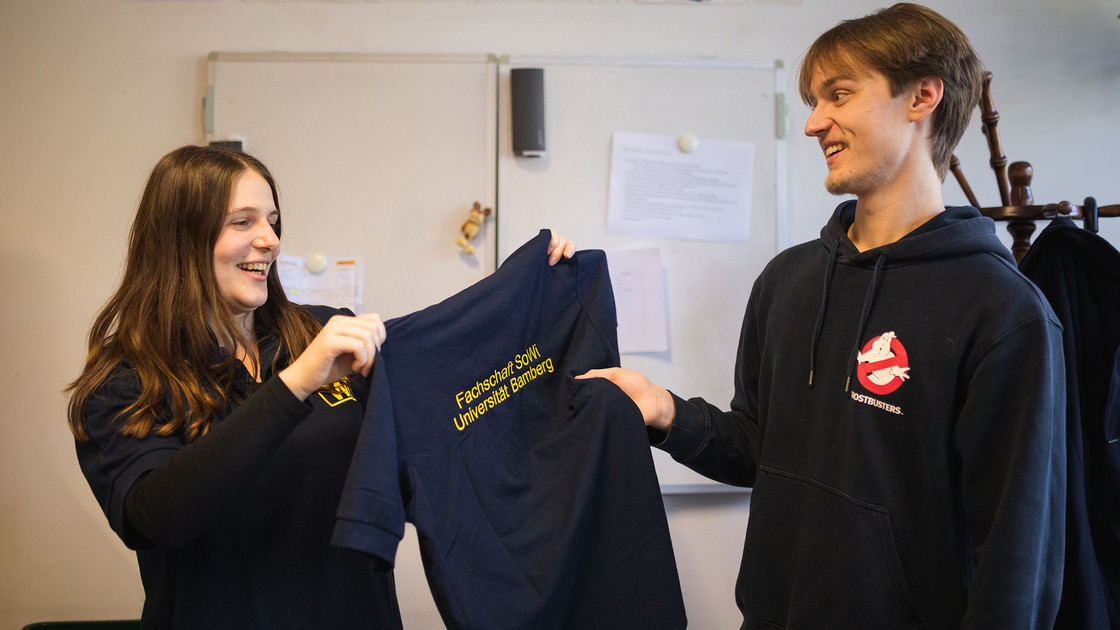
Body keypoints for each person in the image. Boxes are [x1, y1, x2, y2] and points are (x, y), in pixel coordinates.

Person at [581, 4, 1066, 628]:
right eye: (813, 100)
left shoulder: (1004, 311)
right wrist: (663, 410)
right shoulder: (788, 281)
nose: (814, 123)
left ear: (922, 96)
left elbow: (1016, 566)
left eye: (839, 94)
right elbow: (757, 448)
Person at [66, 144, 574, 628]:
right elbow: (157, 517)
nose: (269, 239)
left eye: (272, 220)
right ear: (180, 239)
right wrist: (296, 384)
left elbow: (440, 428)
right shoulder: (126, 382)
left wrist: (533, 302)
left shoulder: (322, 330)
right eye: (242, 222)